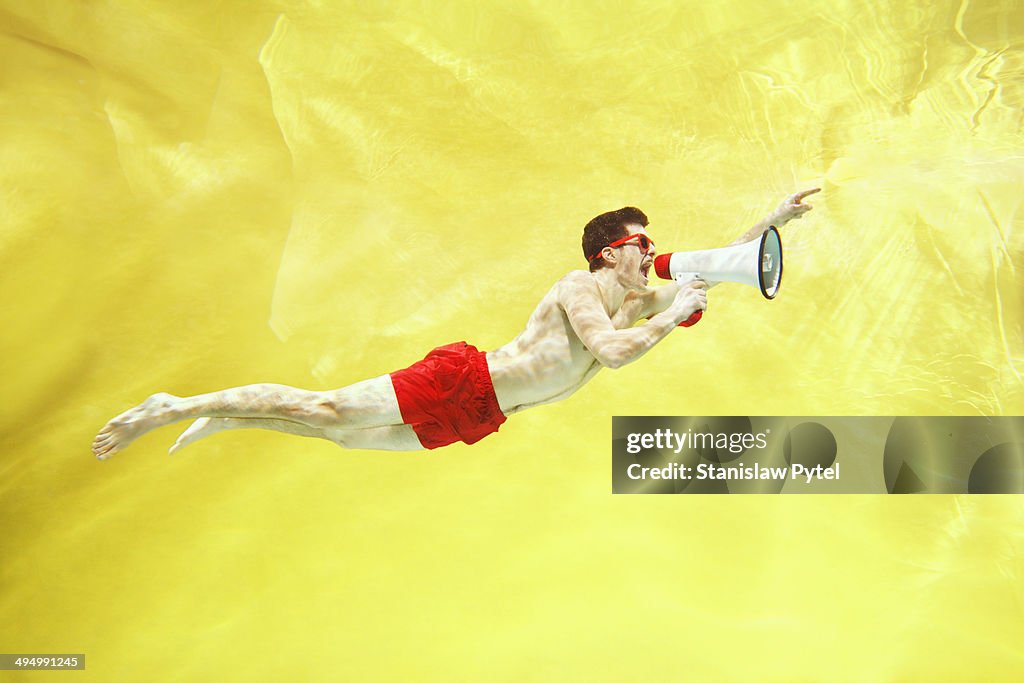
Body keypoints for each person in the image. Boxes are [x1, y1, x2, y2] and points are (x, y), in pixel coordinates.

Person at [91, 189, 820, 459]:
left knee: (336, 436)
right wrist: (674, 320)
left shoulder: (640, 300)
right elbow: (614, 354)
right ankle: (175, 405)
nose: (653, 251)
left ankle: (230, 419)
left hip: (485, 413)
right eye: (642, 241)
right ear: (609, 250)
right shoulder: (582, 287)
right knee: (323, 407)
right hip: (463, 376)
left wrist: (770, 222)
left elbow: (715, 266)